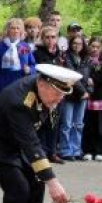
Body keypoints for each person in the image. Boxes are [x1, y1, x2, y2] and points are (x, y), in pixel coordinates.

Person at [0, 64, 78, 203]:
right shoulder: (20, 102)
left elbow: (38, 135)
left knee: (37, 183)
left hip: (17, 142)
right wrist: (53, 183)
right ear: (42, 84)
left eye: (62, 95)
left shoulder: (44, 91)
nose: (59, 100)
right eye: (56, 94)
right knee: (18, 189)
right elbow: (30, 143)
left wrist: (46, 175)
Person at [34, 26, 66, 164]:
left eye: (53, 37)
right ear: (42, 38)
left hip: (57, 93)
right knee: (41, 122)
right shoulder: (38, 53)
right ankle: (40, 153)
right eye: (47, 37)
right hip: (42, 92)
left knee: (54, 123)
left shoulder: (61, 54)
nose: (50, 40)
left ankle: (52, 152)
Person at [58, 36, 89, 160]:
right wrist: (83, 91)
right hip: (70, 94)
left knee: (78, 124)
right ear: (70, 44)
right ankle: (66, 151)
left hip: (83, 96)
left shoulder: (86, 59)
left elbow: (89, 79)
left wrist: (88, 91)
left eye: (80, 43)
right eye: (75, 43)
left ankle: (76, 150)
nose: (77, 46)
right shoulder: (66, 57)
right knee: (67, 123)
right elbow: (72, 76)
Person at [0, 18, 36, 97]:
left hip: (21, 85)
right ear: (7, 30)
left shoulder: (25, 46)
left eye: (18, 28)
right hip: (3, 85)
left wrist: (29, 70)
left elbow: (34, 65)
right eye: (13, 28)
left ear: (21, 31)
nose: (16, 31)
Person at [82, 38, 102, 162]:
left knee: (99, 125)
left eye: (97, 47)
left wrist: (93, 79)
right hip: (87, 96)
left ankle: (99, 151)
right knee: (88, 124)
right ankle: (87, 150)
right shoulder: (85, 59)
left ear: (100, 48)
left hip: (99, 96)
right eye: (92, 46)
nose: (95, 49)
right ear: (89, 46)